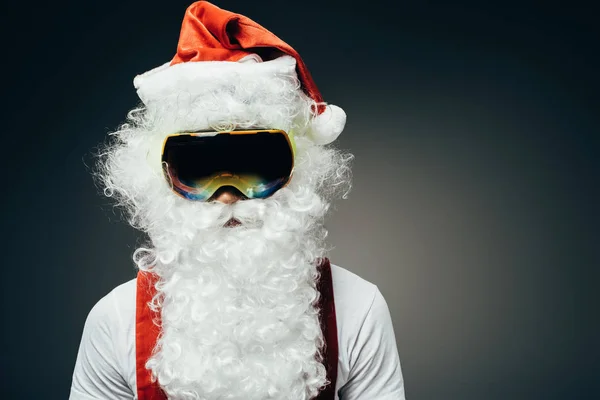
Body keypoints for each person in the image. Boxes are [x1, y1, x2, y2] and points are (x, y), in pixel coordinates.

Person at [69, 1, 406, 399]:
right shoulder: (115, 320)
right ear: (160, 178)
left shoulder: (358, 309)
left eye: (257, 164)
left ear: (299, 174)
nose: (228, 195)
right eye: (197, 168)